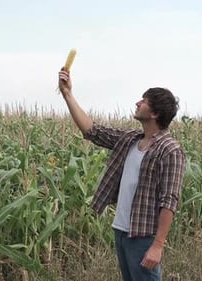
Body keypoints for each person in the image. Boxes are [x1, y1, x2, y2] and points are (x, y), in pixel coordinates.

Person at [58, 68, 186, 281]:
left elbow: (169, 200)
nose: (137, 103)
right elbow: (92, 131)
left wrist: (158, 245)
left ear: (154, 113)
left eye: (143, 101)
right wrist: (68, 94)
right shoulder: (130, 139)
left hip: (143, 236)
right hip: (121, 230)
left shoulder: (170, 150)